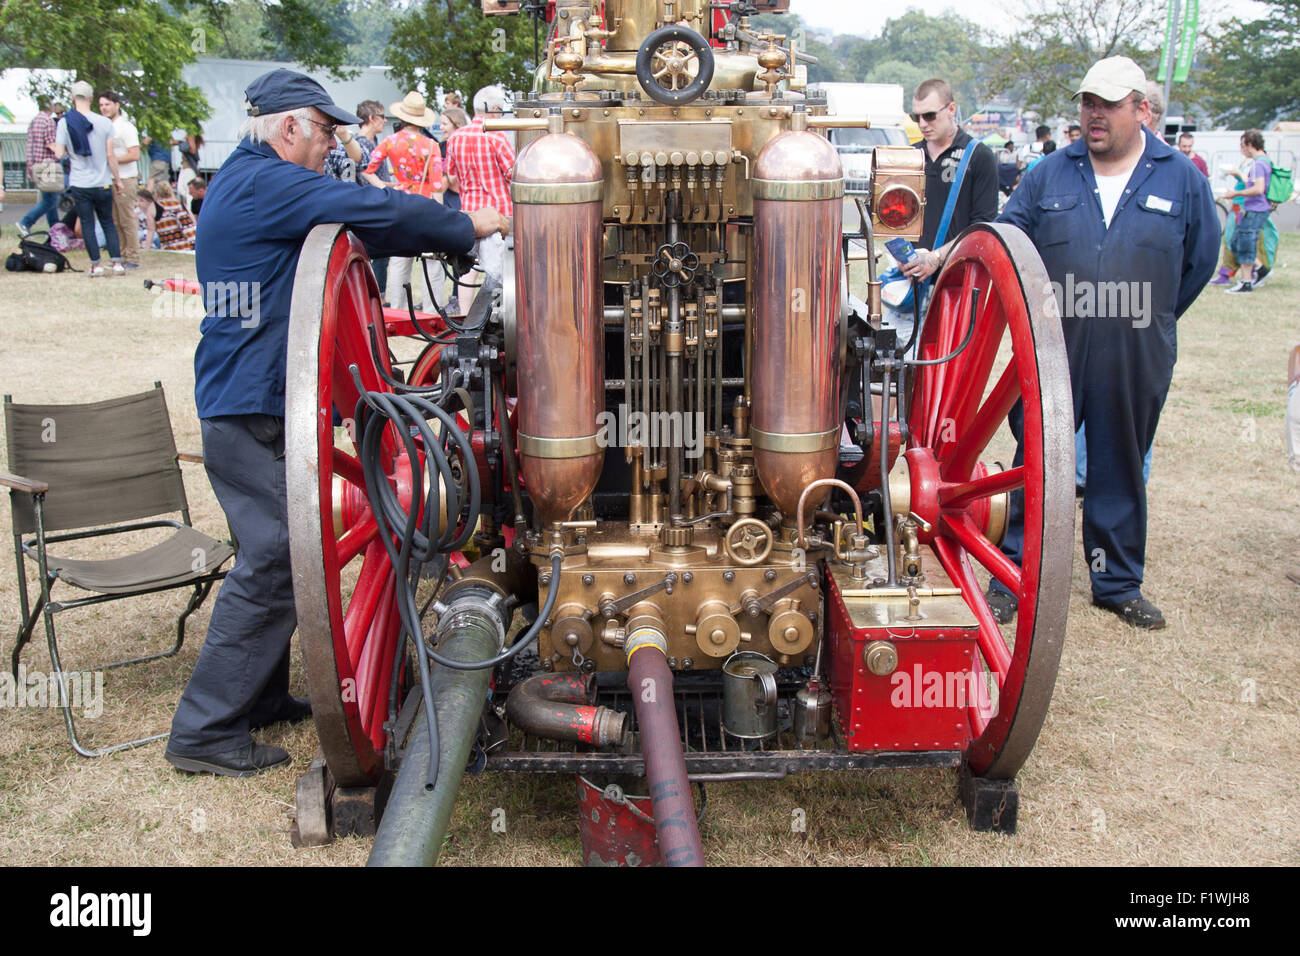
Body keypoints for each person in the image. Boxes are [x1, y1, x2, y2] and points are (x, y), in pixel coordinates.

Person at [164, 68, 509, 777]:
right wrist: (466, 224)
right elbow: (369, 212)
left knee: (285, 549)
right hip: (251, 404)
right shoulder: (267, 182)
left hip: (254, 398)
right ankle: (204, 730)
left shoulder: (245, 180)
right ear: (288, 127)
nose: (330, 145)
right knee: (279, 554)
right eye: (324, 131)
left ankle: (258, 699)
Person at [975, 56, 1216, 629]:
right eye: (1088, 103)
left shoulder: (1182, 177)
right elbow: (1009, 241)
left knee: (1119, 462)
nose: (1094, 115)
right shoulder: (1048, 174)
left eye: (1108, 104)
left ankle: (1115, 582)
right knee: (1036, 459)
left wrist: (1146, 317)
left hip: (1137, 349)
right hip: (1055, 346)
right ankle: (1014, 573)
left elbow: (1200, 262)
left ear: (1142, 109)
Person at [897, 78, 998, 282]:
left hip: (957, 279)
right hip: (909, 280)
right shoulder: (910, 155)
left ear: (951, 109)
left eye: (930, 115)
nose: (923, 124)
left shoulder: (979, 156)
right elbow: (895, 218)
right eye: (917, 117)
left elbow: (982, 227)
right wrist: (901, 255)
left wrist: (936, 257)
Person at [363, 90, 447, 313]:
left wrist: (385, 189)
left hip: (399, 204)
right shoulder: (431, 146)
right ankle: (432, 310)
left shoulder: (390, 142)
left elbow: (368, 171)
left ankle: (398, 311)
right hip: (426, 205)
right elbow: (437, 185)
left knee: (400, 260)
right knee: (433, 262)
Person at [445, 85, 516, 310]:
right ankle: (506, 314)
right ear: (494, 109)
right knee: (504, 267)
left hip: (470, 213)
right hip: (499, 214)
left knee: (469, 269)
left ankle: (466, 317)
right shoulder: (497, 137)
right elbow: (513, 174)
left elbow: (451, 175)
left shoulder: (456, 137)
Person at [51, 80, 124, 277]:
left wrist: (62, 148)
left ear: (72, 98)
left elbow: (59, 153)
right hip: (103, 181)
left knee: (87, 223)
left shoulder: (65, 122)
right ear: (92, 98)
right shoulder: (105, 122)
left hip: (80, 181)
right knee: (108, 221)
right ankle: (117, 263)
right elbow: (111, 155)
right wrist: (118, 180)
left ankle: (96, 265)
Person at [1219, 130, 1272, 294]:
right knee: (1236, 242)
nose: (1242, 149)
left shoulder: (1258, 164)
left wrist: (1236, 193)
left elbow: (1258, 189)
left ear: (1250, 144)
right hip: (1255, 209)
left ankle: (1246, 282)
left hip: (1255, 209)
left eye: (1242, 145)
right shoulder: (1265, 161)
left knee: (1246, 244)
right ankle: (1261, 269)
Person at [97, 91, 141, 268]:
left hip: (126, 178)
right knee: (114, 220)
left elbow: (134, 154)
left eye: (107, 104)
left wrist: (112, 159)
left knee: (127, 219)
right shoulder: (103, 126)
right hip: (108, 178)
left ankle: (132, 257)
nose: (104, 108)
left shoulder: (126, 127)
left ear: (116, 105)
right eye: (101, 105)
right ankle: (121, 254)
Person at [353, 99, 391, 297]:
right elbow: (364, 177)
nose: (385, 121)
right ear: (370, 118)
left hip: (378, 201)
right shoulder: (361, 146)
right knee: (377, 255)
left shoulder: (372, 144)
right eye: (382, 116)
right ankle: (376, 296)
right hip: (371, 207)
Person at [17, 99, 65, 236]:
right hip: (48, 165)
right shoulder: (48, 121)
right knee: (52, 199)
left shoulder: (34, 121)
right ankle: (25, 222)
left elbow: (31, 145)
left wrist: (30, 166)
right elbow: (50, 143)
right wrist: (62, 151)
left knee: (49, 198)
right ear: (50, 107)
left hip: (36, 164)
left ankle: (55, 228)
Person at [149, 179, 196, 250]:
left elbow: (151, 230)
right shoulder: (181, 205)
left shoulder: (155, 207)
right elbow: (194, 223)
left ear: (156, 194)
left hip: (169, 247)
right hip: (188, 245)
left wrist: (146, 249)